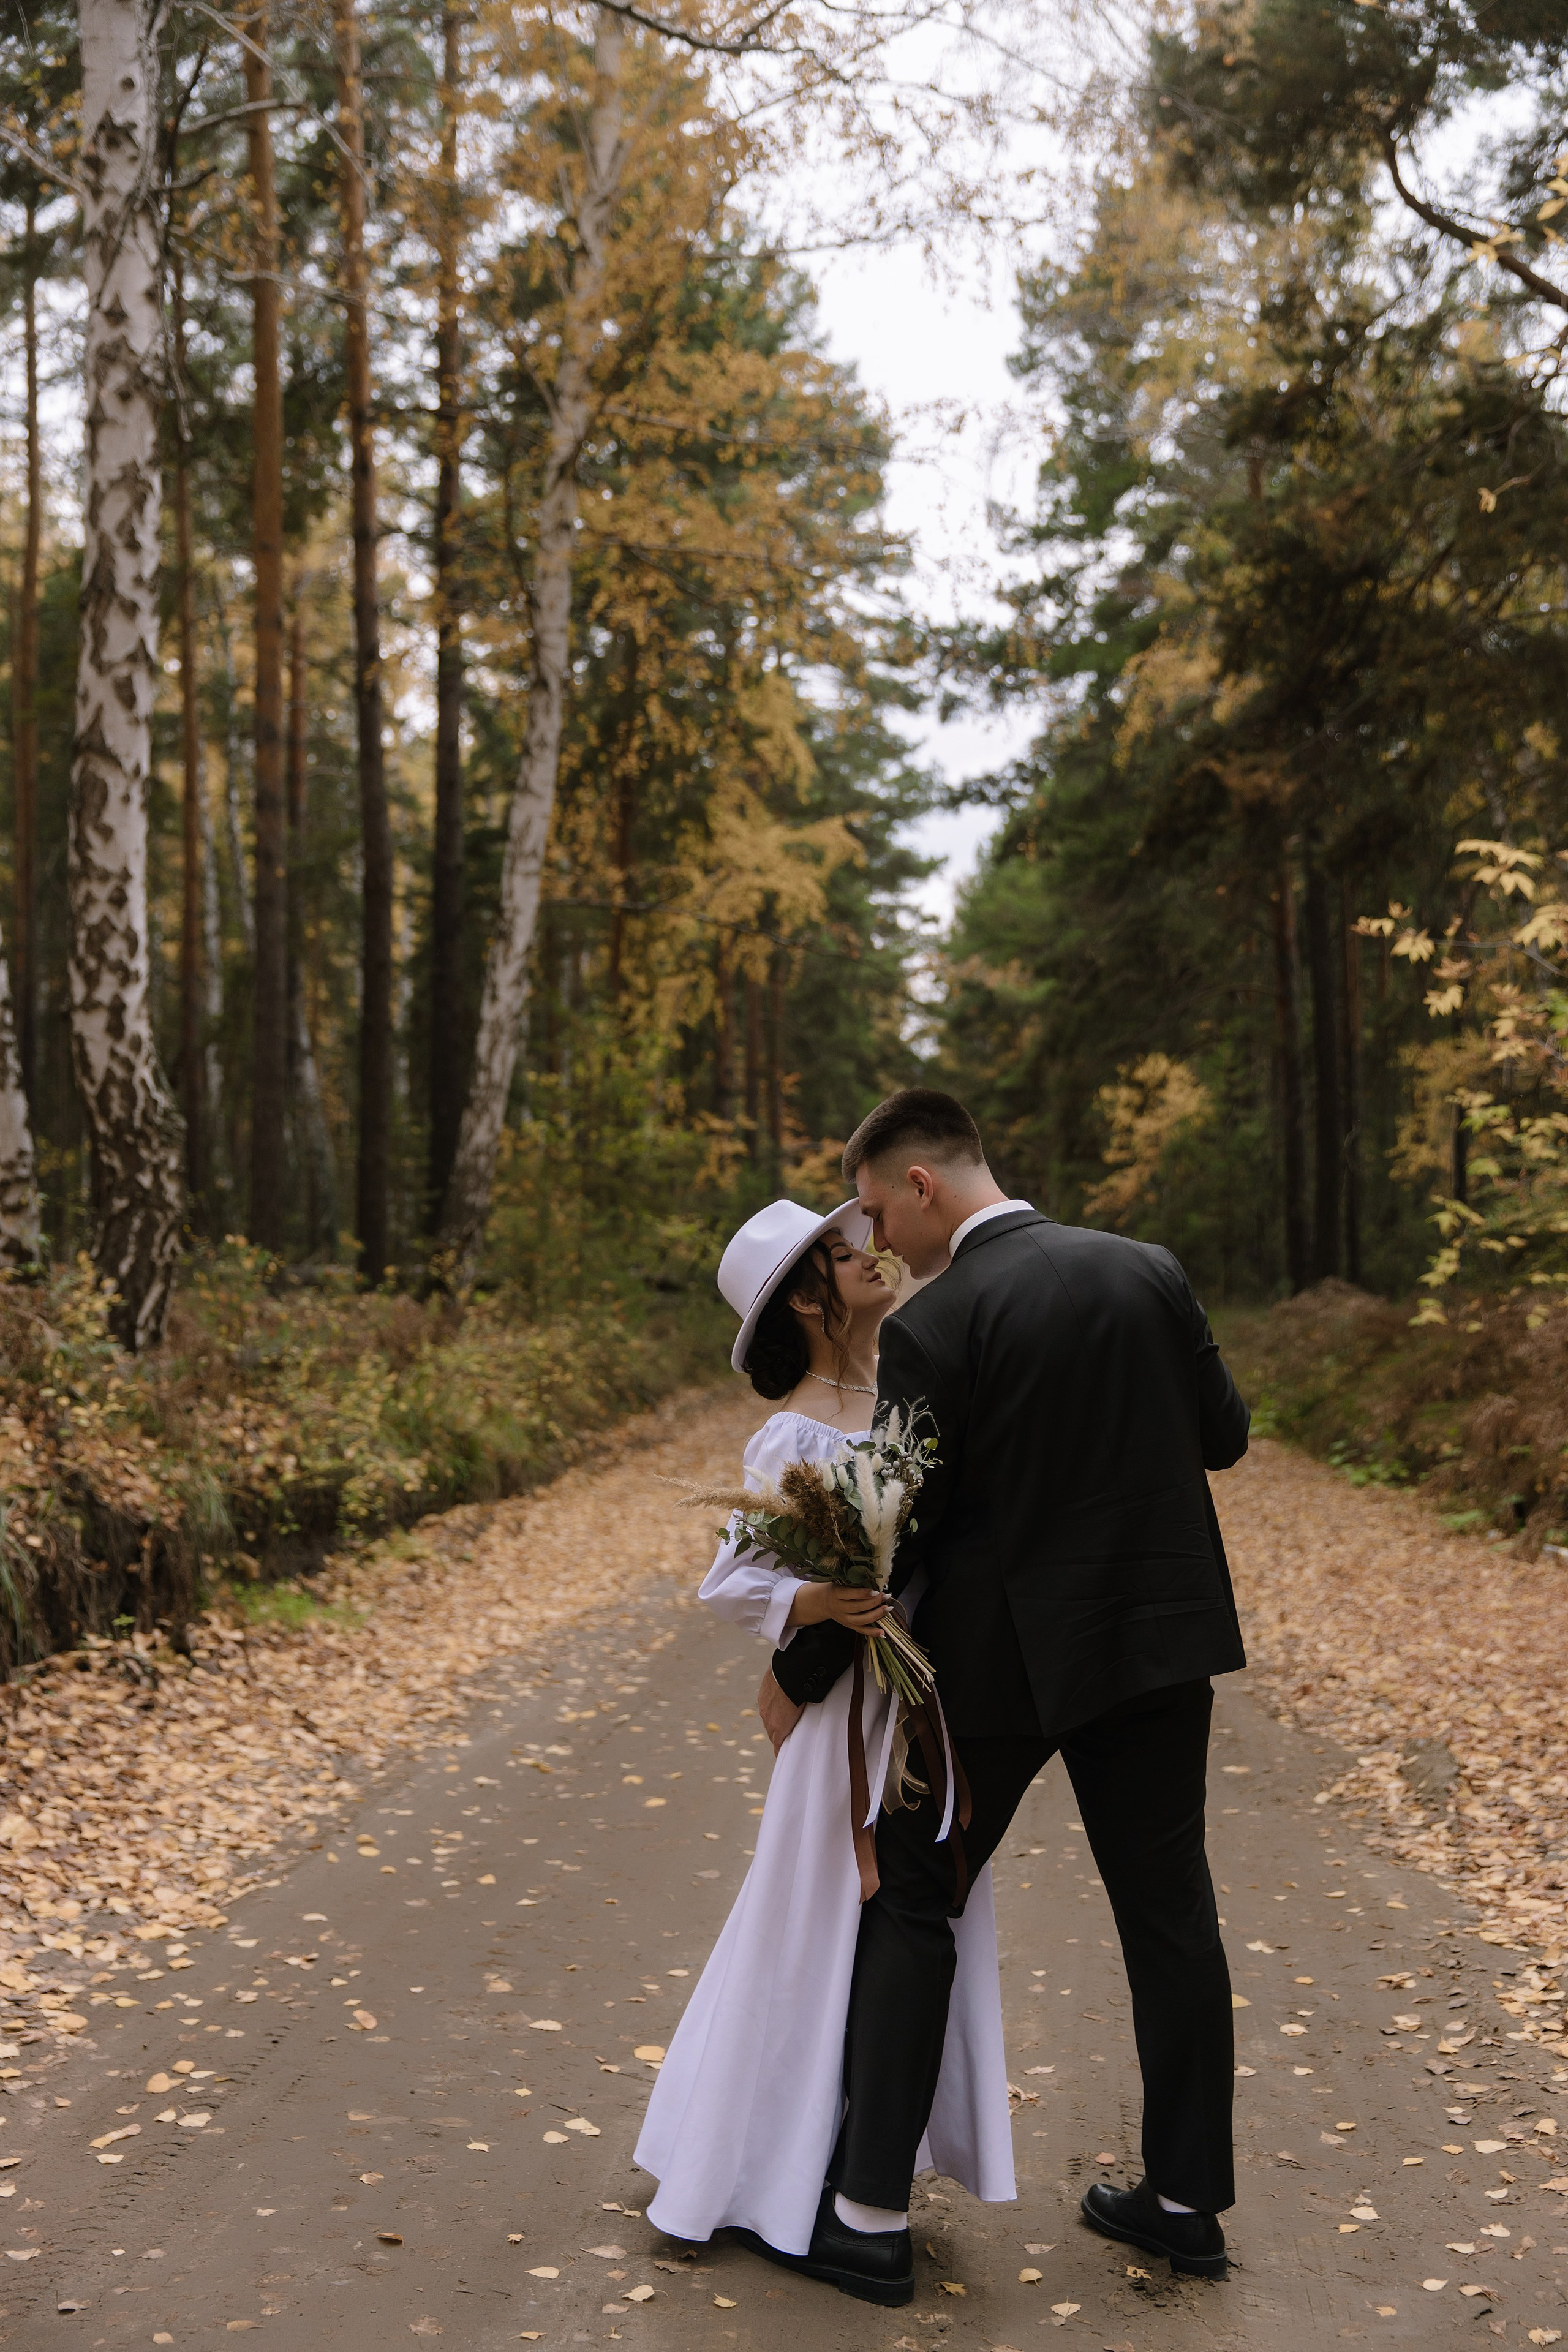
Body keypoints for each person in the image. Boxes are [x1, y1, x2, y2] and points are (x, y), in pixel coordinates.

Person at [762, 1087, 1251, 2292]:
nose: (875, 1239)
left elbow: (893, 1527)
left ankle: (868, 2219)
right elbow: (1222, 1436)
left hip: (1004, 1671)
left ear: (919, 1185)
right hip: (1155, 1648)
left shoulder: (943, 1324)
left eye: (874, 1208)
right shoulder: (1147, 1271)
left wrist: (799, 1666)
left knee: (912, 1901)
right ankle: (1183, 2201)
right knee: (1169, 1913)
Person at [633, 1195, 1014, 2304]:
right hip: (841, 1714)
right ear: (809, 1296)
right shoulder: (792, 1432)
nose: (879, 1261)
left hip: (919, 1700)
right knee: (812, 1916)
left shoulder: (914, 1391)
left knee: (912, 1919)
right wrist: (820, 1598)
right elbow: (732, 1581)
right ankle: (760, 2167)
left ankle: (867, 2156)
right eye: (854, 1257)